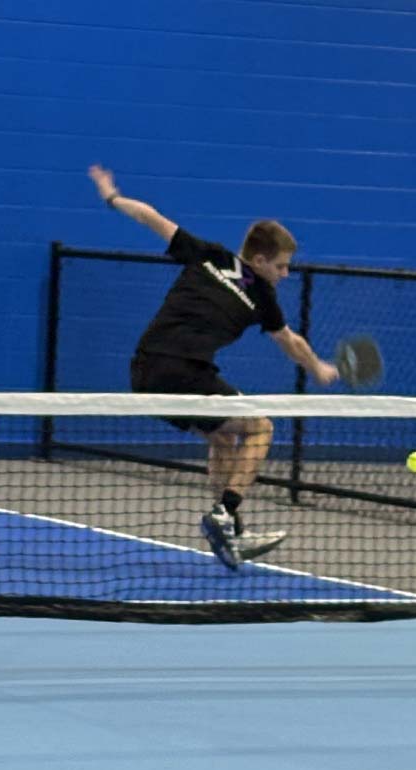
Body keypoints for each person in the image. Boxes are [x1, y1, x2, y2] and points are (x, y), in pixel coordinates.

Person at [87, 164, 339, 571]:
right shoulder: (253, 289)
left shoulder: (210, 255)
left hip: (145, 372)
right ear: (259, 260)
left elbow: (150, 217)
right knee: (261, 426)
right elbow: (290, 342)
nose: (286, 273)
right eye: (280, 266)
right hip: (181, 370)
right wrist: (318, 369)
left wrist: (112, 197)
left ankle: (229, 532)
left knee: (222, 439)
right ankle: (226, 512)